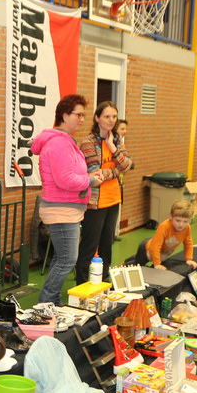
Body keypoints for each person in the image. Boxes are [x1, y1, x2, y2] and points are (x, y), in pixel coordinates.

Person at [32, 94, 105, 305]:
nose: (82, 119)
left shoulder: (65, 142)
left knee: (61, 258)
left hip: (66, 209)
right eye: (78, 115)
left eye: (83, 115)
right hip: (61, 211)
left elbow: (69, 175)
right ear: (64, 115)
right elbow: (64, 180)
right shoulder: (59, 143)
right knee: (67, 260)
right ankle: (46, 303)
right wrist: (90, 180)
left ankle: (53, 302)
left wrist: (88, 176)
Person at [76, 101, 133, 283]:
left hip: (113, 199)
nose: (111, 120)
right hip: (94, 202)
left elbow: (127, 165)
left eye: (114, 116)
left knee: (107, 246)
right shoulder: (87, 142)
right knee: (89, 246)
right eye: (107, 116)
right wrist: (117, 170)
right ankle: (81, 283)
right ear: (97, 118)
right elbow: (95, 174)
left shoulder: (116, 139)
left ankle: (104, 282)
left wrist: (113, 147)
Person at [131, 200, 197, 271]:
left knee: (139, 258)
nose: (181, 224)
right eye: (178, 220)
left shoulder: (187, 227)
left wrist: (189, 259)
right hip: (147, 249)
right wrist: (157, 264)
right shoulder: (164, 226)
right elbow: (155, 246)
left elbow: (188, 243)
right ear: (171, 217)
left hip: (161, 251)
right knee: (137, 266)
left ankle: (133, 258)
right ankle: (125, 264)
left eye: (185, 221)